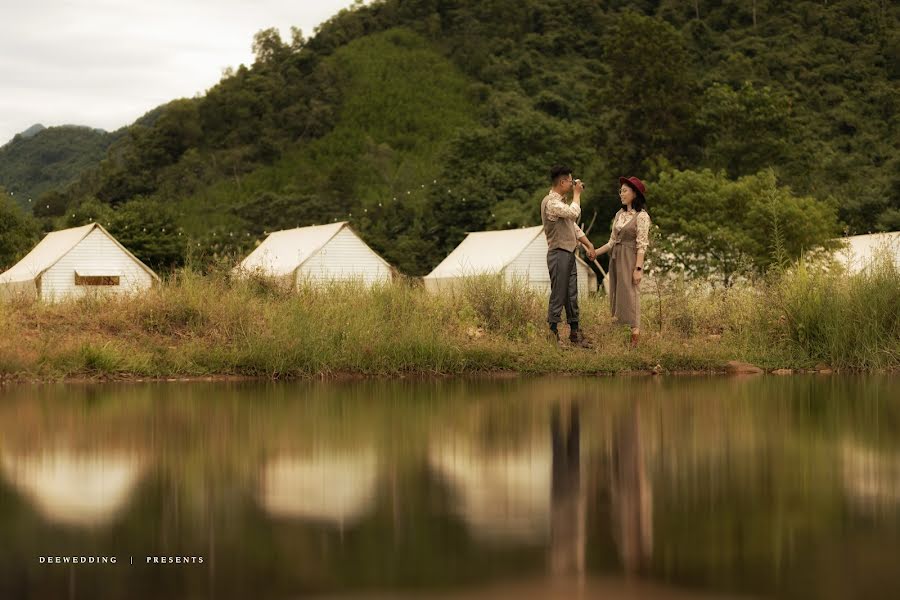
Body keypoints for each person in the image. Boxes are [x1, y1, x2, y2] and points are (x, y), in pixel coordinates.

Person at [541, 165, 597, 347]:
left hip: (568, 253)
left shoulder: (562, 205)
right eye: (571, 181)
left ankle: (575, 333)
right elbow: (574, 212)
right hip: (558, 253)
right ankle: (552, 333)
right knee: (559, 293)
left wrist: (588, 244)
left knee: (571, 294)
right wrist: (578, 194)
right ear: (563, 182)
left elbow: (574, 227)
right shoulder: (551, 202)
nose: (573, 184)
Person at [594, 176, 651, 348]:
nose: (621, 194)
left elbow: (642, 244)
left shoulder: (642, 216)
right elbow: (612, 242)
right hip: (616, 257)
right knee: (618, 293)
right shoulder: (619, 215)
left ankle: (635, 335)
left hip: (630, 258)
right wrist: (594, 252)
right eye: (621, 191)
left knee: (631, 292)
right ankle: (620, 332)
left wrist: (638, 268)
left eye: (625, 190)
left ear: (635, 193)